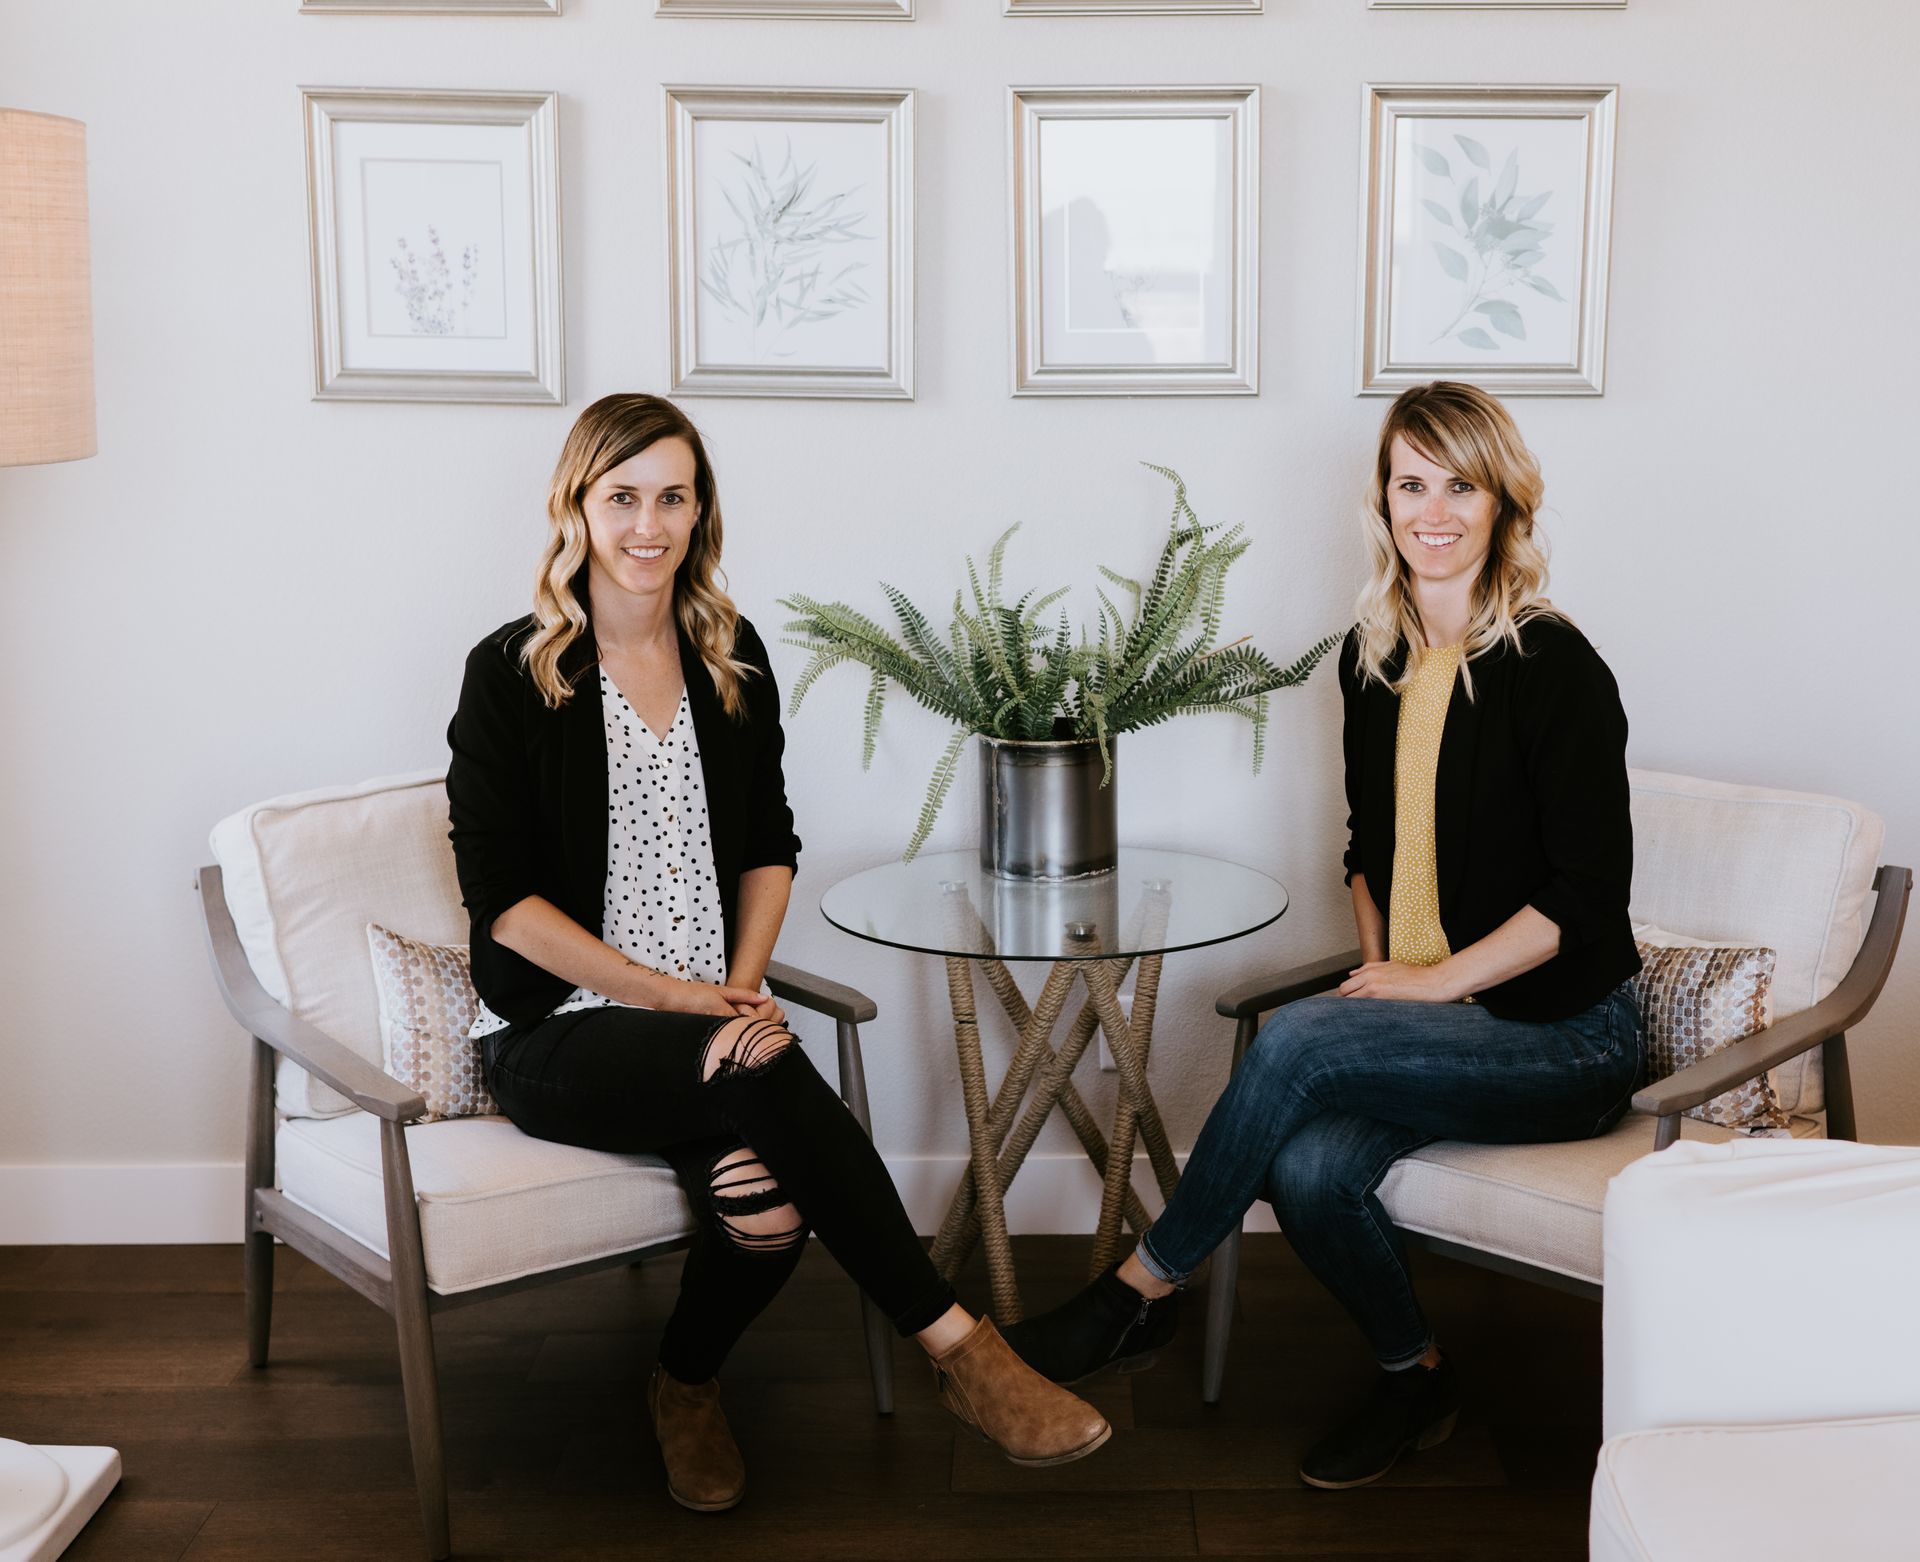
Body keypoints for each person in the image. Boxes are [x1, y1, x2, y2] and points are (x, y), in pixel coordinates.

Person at [445, 393, 1110, 1513]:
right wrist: (682, 1001)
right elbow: (505, 906)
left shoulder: (726, 653)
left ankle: (683, 1382)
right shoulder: (513, 671)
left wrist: (740, 983)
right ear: (576, 506)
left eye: (672, 495)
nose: (647, 524)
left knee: (767, 1210)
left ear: (701, 510)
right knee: (749, 1061)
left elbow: (767, 845)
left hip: (707, 1022)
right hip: (553, 1032)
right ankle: (964, 1351)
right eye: (622, 497)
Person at [1003, 380, 1643, 1489]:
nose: (1432, 510)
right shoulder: (1373, 658)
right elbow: (1366, 845)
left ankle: (1135, 1294)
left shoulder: (1559, 670)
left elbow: (1587, 894)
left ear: (1503, 504)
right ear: (1381, 500)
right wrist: (1384, 973)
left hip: (1566, 1036)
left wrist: (1432, 991)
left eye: (1461, 484)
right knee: (1305, 1170)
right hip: (1442, 1017)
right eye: (1410, 483)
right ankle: (1417, 1376)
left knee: (1293, 1041)